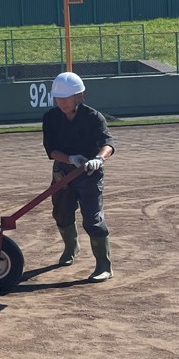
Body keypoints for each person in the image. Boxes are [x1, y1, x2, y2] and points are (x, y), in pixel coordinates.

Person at [43, 71, 115, 282]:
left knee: (93, 219)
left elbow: (108, 144)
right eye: (58, 98)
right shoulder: (51, 118)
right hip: (63, 171)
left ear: (79, 96)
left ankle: (104, 264)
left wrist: (99, 159)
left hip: (90, 173)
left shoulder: (93, 117)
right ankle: (70, 248)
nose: (62, 103)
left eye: (66, 98)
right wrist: (70, 158)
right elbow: (50, 150)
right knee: (61, 213)